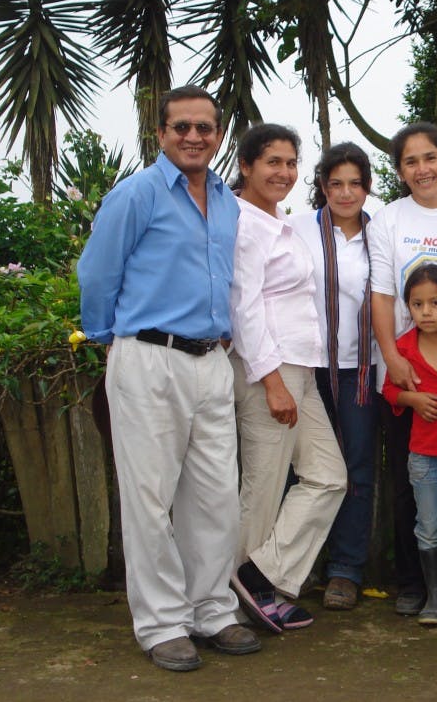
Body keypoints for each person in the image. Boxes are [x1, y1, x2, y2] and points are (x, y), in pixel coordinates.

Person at [78, 85, 259, 671]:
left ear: (218, 136)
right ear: (160, 133)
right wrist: (118, 341)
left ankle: (210, 609)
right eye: (181, 126)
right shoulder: (136, 194)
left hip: (211, 363)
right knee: (149, 499)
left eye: (204, 127)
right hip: (148, 360)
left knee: (215, 497)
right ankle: (160, 623)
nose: (193, 136)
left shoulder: (228, 203)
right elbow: (97, 274)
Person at [227, 124, 347, 632]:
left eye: (291, 163)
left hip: (301, 367)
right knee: (263, 484)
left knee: (327, 476)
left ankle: (257, 576)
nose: (284, 172)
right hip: (267, 369)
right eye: (273, 162)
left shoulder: (279, 222)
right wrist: (271, 380)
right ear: (247, 166)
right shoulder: (242, 223)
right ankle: (232, 600)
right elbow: (244, 306)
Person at [369, 122, 437, 614]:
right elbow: (382, 293)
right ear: (400, 171)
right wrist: (392, 357)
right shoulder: (388, 219)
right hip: (408, 366)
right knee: (409, 482)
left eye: (430, 158)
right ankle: (413, 582)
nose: (422, 169)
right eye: (410, 161)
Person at [292, 142, 378, 611]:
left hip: (360, 369)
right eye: (336, 183)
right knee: (302, 468)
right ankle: (295, 566)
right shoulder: (297, 229)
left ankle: (345, 570)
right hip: (306, 365)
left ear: (367, 186)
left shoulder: (379, 230)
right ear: (322, 186)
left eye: (355, 183)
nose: (346, 193)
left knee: (356, 469)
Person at [380, 264, 437, 626]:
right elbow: (389, 390)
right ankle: (434, 596)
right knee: (429, 527)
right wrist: (412, 399)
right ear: (408, 308)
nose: (426, 311)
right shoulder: (403, 347)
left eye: (435, 302)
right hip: (423, 457)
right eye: (417, 304)